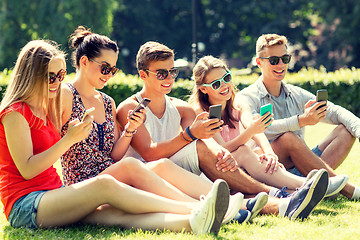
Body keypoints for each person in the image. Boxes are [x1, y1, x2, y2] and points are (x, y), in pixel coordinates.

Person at [0, 39, 231, 235]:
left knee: (117, 214)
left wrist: (129, 129)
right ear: (31, 75)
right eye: (51, 76)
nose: (58, 82)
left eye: (60, 75)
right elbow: (28, 170)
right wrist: (69, 139)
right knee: (106, 184)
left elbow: (111, 152)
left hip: (54, 194)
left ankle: (194, 221)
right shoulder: (14, 113)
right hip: (26, 204)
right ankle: (197, 208)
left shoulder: (44, 109)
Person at [116, 40, 330, 220]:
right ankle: (283, 194)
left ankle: (287, 201)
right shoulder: (128, 107)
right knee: (203, 152)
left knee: (225, 175)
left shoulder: (181, 108)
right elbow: (150, 152)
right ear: (143, 75)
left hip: (185, 169)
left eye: (172, 72)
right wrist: (191, 135)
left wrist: (220, 152)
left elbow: (207, 139)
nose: (170, 78)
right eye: (161, 74)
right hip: (151, 175)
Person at [60, 26, 245, 226]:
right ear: (84, 62)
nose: (109, 75)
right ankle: (204, 208)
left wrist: (130, 128)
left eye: (113, 70)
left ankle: (231, 206)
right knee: (134, 165)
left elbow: (113, 156)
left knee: (162, 165)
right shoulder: (66, 94)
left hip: (111, 174)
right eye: (105, 68)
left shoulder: (107, 102)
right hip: (82, 182)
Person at [189, 55, 348, 197]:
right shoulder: (200, 112)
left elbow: (254, 129)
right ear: (203, 89)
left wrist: (270, 153)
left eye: (226, 78)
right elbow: (223, 150)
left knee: (258, 152)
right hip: (217, 170)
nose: (224, 85)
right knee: (245, 151)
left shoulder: (238, 102)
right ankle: (308, 184)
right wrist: (251, 131)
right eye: (216, 84)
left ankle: (298, 193)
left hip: (242, 166)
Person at [239, 33, 360, 200]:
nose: (281, 64)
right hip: (271, 170)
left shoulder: (296, 93)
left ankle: (316, 187)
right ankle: (347, 190)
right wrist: (300, 121)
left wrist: (358, 129)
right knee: (288, 138)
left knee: (346, 130)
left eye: (285, 58)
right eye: (274, 60)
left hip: (304, 165)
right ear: (259, 62)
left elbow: (335, 111)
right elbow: (259, 129)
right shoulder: (246, 97)